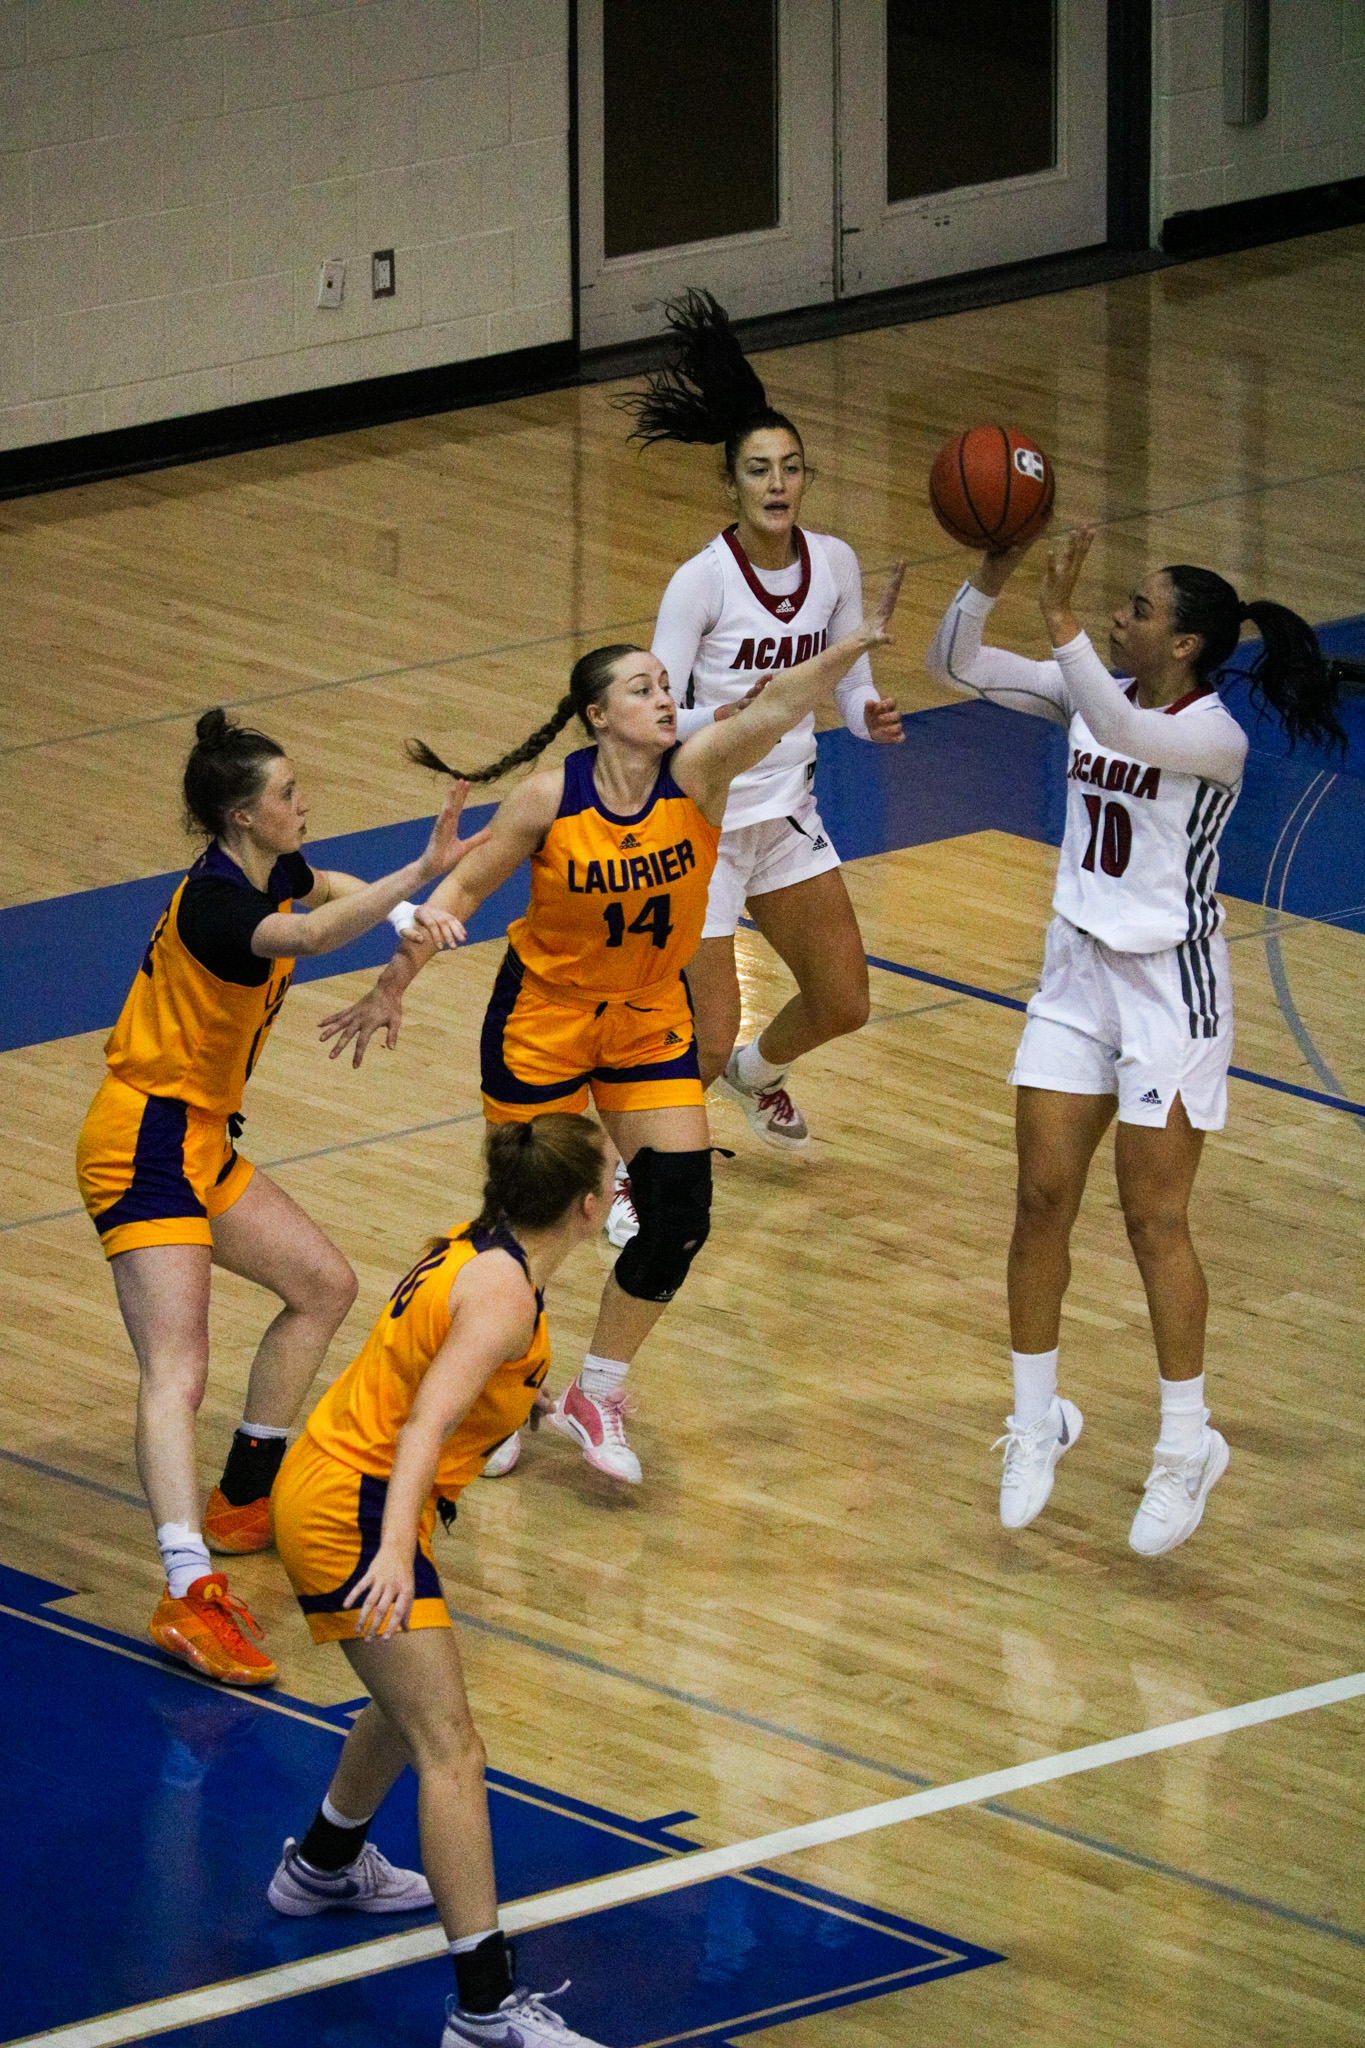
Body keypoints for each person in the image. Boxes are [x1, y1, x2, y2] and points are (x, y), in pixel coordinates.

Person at [319, 568, 903, 1484]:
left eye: (667, 687)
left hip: (643, 1019)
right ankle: (495, 1395)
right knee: (527, 1229)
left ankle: (597, 1391)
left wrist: (854, 645)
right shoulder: (549, 799)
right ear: (596, 715)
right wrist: (394, 984)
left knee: (677, 1213)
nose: (666, 698)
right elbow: (461, 892)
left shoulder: (699, 771)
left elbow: (777, 704)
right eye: (643, 688)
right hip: (543, 1019)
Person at [927, 528, 1346, 1554]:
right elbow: (957, 663)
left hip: (1169, 990)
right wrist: (994, 570)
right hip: (1076, 976)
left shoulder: (1214, 739)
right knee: (1038, 1197)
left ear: (1188, 644)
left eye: (1138, 610)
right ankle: (1037, 1420)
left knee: (1154, 1219)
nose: (1120, 618)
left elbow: (1117, 719)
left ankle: (1185, 1444)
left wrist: (1063, 620)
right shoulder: (1096, 687)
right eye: (1117, 608)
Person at [76, 709, 485, 1684]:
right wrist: (418, 877)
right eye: (288, 794)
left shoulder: (270, 866)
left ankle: (243, 1497)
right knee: (176, 1366)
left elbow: (328, 887)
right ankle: (186, 1587)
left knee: (322, 1283)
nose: (303, 804)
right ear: (242, 815)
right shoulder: (219, 906)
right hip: (145, 1141)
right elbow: (308, 928)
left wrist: (398, 917)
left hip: (200, 1139)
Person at [269, 1116, 614, 2048]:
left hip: (344, 1490)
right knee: (452, 1749)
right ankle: (485, 2013)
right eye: (613, 1179)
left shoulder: (473, 1250)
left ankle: (325, 1868)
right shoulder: (504, 1297)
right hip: (355, 1512)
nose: (619, 1190)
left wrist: (534, 1402)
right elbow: (422, 1426)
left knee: (409, 1701)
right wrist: (388, 1551)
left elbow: (437, 1370)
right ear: (584, 1208)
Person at [607, 290, 903, 1216]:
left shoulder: (838, 564)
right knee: (695, 1036)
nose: (776, 485)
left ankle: (756, 1070)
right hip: (700, 827)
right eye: (758, 470)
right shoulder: (699, 582)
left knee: (844, 999)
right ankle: (627, 1180)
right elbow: (653, 718)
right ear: (728, 484)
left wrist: (867, 717)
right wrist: (726, 716)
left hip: (785, 816)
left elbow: (845, 685)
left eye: (790, 469)